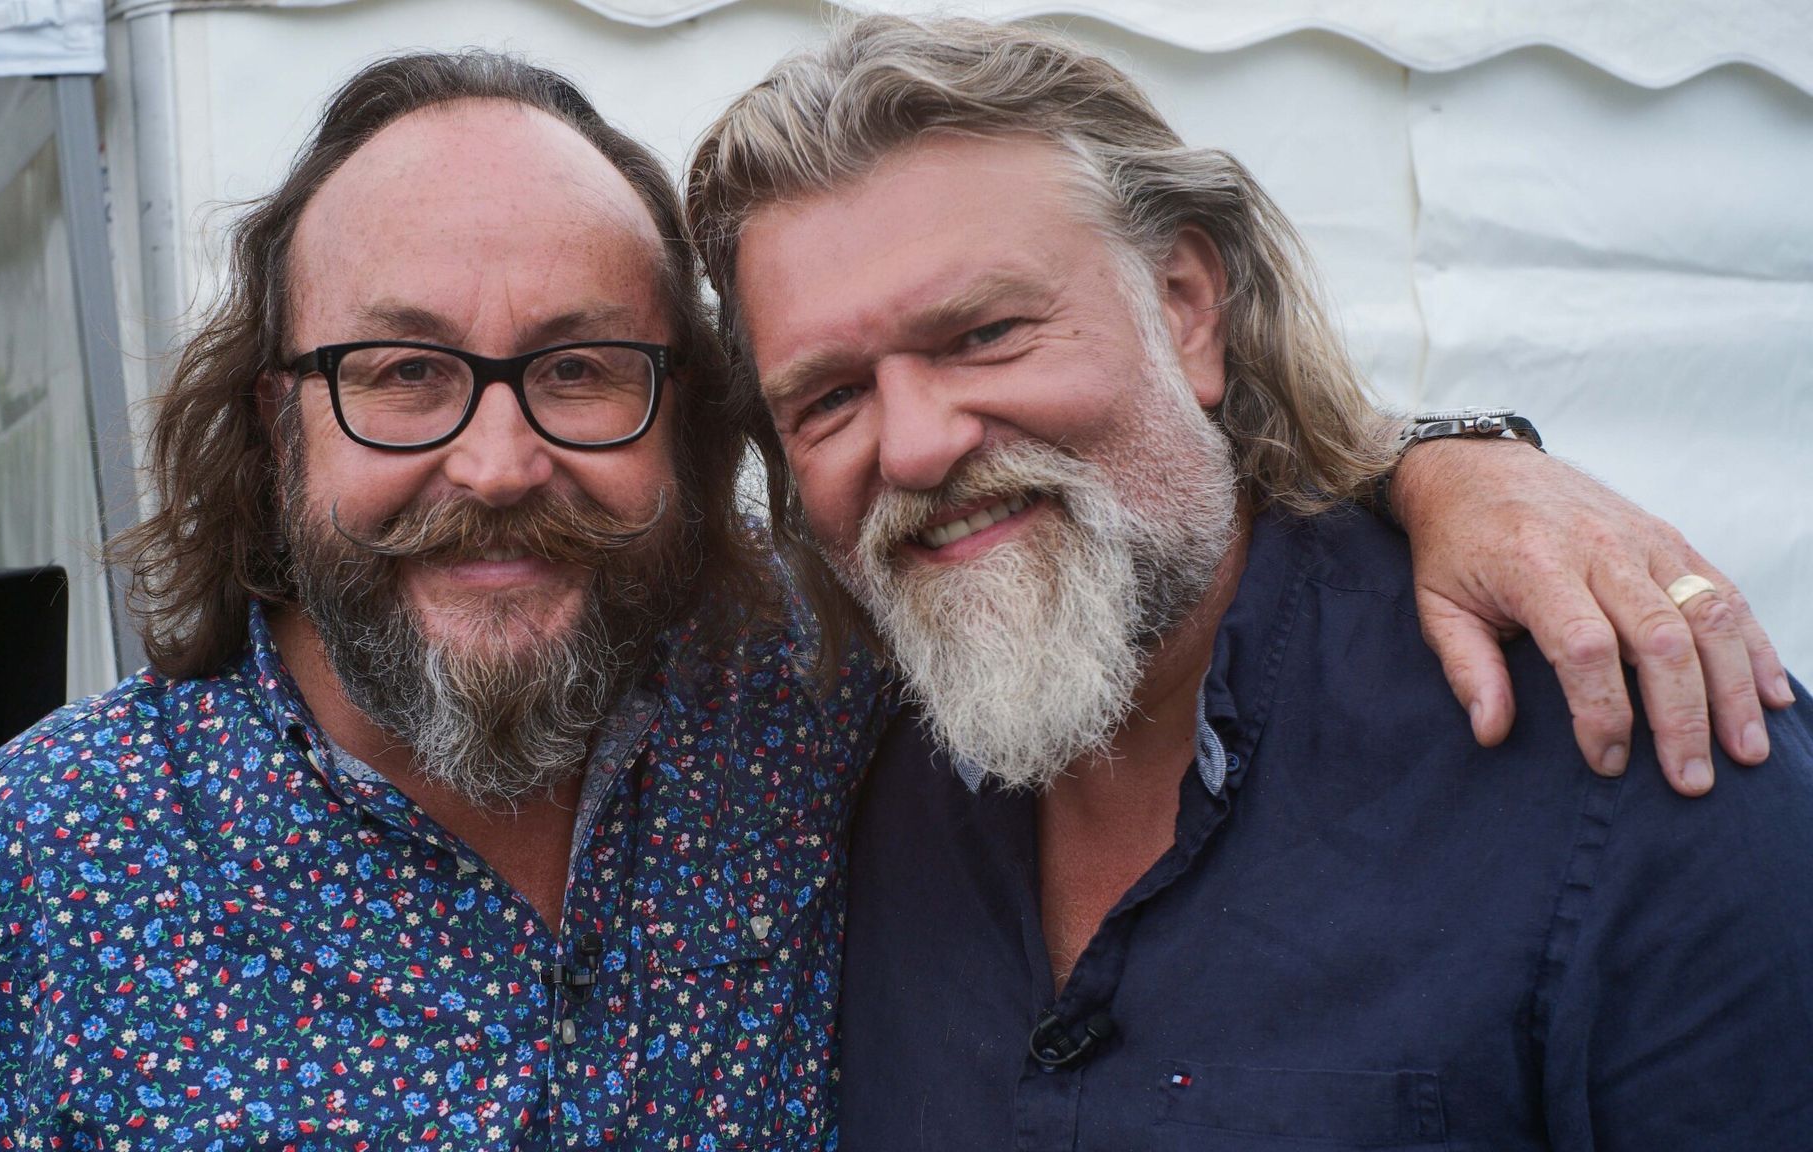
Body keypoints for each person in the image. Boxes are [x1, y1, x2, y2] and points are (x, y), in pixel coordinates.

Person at [0, 40, 1787, 1152]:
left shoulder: (819, 714)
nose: (494, 460)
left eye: (581, 368)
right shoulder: (30, 884)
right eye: (403, 371)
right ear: (275, 421)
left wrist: (1453, 459)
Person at [684, 15, 1813, 1150]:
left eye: (983, 333)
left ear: (1184, 304)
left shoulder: (1625, 745)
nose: (915, 446)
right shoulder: (826, 767)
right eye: (827, 398)